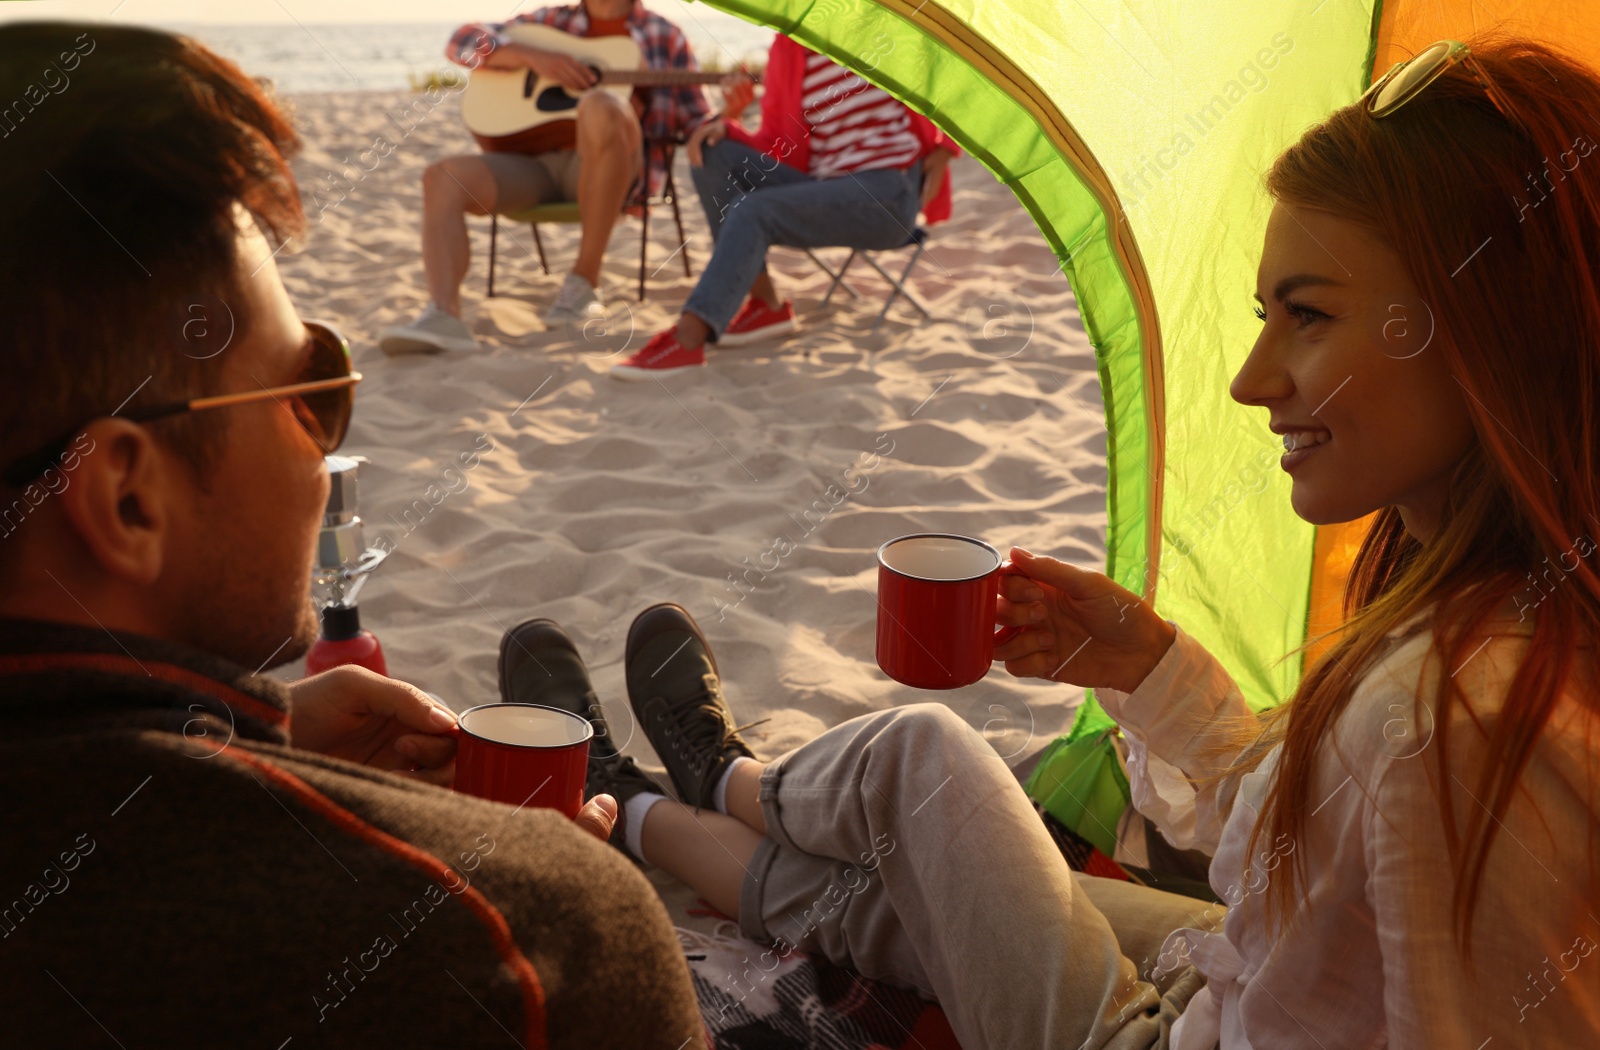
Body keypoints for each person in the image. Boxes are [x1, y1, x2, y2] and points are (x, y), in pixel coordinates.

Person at [569, 36, 1600, 1048]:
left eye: (1309, 316)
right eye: (1259, 315)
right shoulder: (1480, 624)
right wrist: (1149, 667)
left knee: (921, 762)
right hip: (1242, 972)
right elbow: (1303, 845)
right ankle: (651, 810)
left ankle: (708, 784)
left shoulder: (1458, 722)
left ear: (1488, 328)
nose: (1249, 379)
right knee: (928, 900)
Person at [0, 23, 701, 1048]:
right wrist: (553, 884)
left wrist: (240, 734)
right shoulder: (527, 944)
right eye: (312, 386)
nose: (326, 444)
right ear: (127, 502)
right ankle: (669, 797)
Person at [609, 34, 959, 379]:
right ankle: (767, 306)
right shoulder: (790, 47)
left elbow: (956, 77)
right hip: (823, 187)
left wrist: (946, 149)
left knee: (753, 209)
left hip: (885, 191)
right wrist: (727, 120)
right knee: (711, 154)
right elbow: (777, 143)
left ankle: (688, 338)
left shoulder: (882, 21)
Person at [378, 0, 709, 353]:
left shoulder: (664, 35)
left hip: (608, 169)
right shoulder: (551, 20)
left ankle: (583, 283)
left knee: (603, 105)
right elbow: (460, 40)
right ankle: (444, 314)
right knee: (441, 176)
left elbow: (697, 121)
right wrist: (530, 56)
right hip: (530, 167)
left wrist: (729, 114)